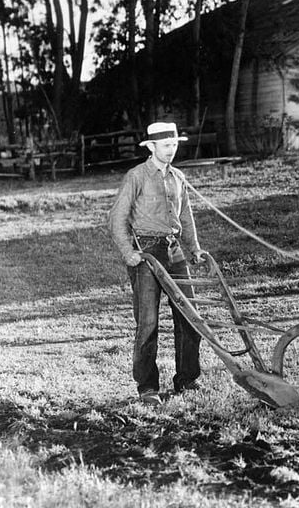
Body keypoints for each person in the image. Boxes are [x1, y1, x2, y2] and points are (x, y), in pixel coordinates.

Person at [108, 121, 207, 405]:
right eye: (166, 146)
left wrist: (195, 249)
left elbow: (185, 216)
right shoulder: (136, 176)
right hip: (146, 252)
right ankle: (148, 387)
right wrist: (129, 253)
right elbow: (116, 219)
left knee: (190, 317)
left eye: (174, 145)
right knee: (148, 322)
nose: (171, 151)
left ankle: (187, 380)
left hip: (174, 252)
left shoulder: (178, 177)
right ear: (151, 147)